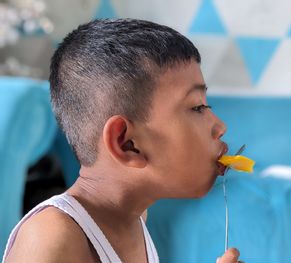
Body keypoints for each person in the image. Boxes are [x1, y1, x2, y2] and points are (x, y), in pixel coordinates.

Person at [3, 19, 241, 263]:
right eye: (198, 107)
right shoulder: (52, 236)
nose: (220, 126)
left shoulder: (134, 218)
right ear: (127, 143)